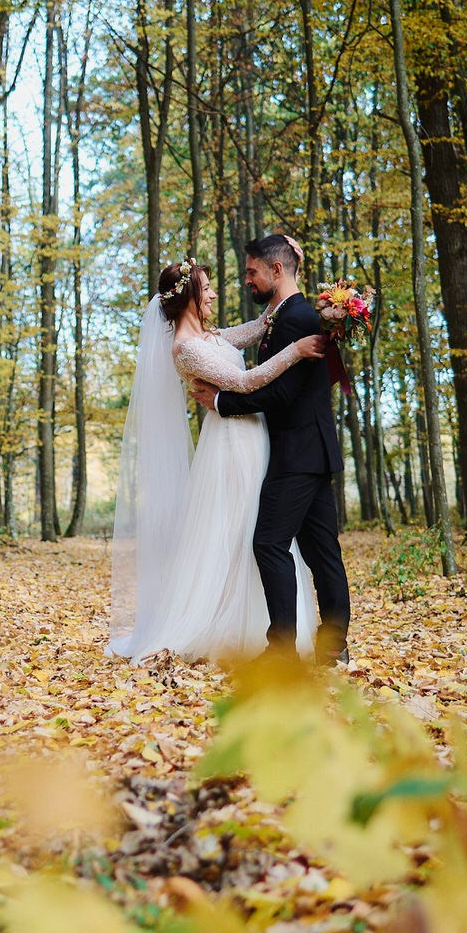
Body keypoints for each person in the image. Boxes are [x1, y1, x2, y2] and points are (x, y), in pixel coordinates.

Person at [107, 258, 328, 660]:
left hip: (252, 436)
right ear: (189, 297)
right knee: (239, 528)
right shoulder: (185, 349)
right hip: (230, 445)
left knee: (260, 530)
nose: (212, 293)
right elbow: (245, 381)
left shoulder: (211, 336)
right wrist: (295, 351)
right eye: (205, 288)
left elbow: (259, 326)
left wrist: (288, 282)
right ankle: (227, 624)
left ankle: (267, 625)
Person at [189, 235, 353, 663]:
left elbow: (278, 395)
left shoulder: (297, 319)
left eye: (251, 271)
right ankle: (333, 645)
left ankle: (282, 649)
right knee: (321, 550)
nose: (247, 280)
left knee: (268, 543)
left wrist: (222, 402)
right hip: (312, 450)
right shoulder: (288, 315)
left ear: (275, 271)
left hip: (296, 453)